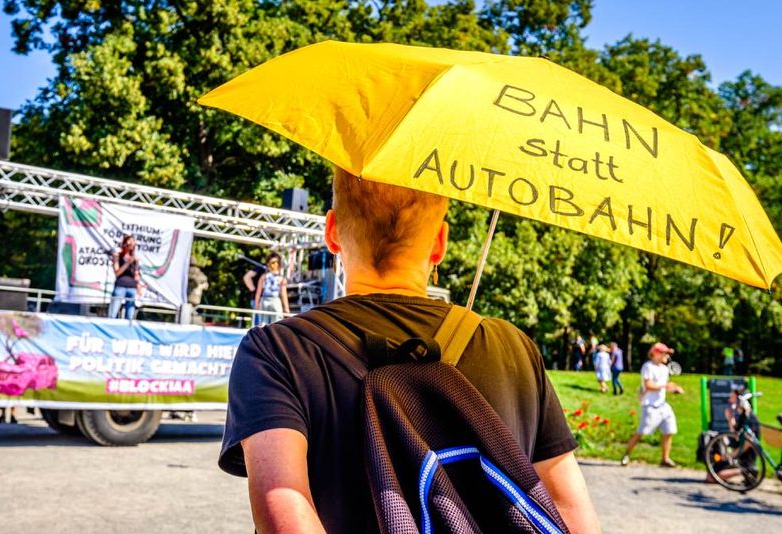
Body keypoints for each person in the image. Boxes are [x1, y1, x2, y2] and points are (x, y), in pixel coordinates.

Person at [219, 167, 600, 533]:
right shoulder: (512, 347)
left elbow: (284, 511)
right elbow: (568, 508)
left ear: (331, 232)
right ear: (440, 242)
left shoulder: (277, 350)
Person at [621, 342, 685, 468]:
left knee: (669, 431)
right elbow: (648, 385)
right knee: (641, 432)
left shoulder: (664, 369)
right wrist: (665, 386)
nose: (667, 356)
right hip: (650, 406)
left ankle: (665, 459)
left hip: (662, 405)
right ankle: (626, 454)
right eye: (664, 353)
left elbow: (663, 385)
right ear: (655, 354)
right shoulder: (648, 367)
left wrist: (674, 388)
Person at [108, 234, 141, 319]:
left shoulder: (134, 257)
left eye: (133, 244)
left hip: (132, 288)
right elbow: (117, 273)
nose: (131, 246)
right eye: (129, 243)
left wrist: (138, 284)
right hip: (120, 286)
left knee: (130, 316)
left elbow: (136, 274)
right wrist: (127, 263)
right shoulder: (118, 255)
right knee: (113, 314)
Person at [253, 253, 289, 325]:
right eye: (273, 263)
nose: (275, 265)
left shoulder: (281, 278)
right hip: (265, 300)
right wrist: (256, 304)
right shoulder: (264, 277)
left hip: (275, 300)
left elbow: (283, 293)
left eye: (276, 263)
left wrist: (286, 308)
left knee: (276, 323)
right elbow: (259, 291)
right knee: (263, 323)